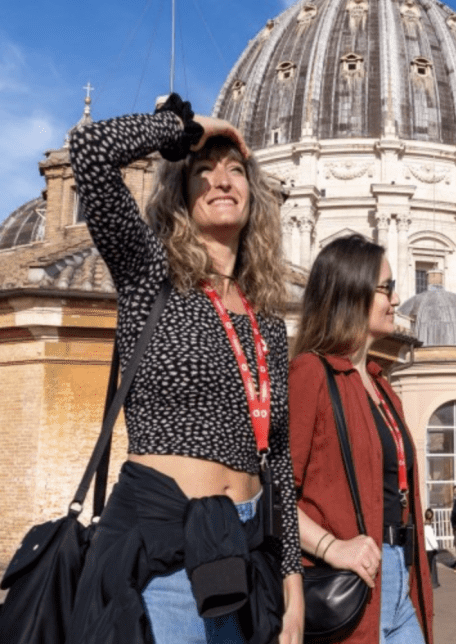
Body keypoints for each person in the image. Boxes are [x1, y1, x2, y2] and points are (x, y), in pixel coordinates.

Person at [67, 94, 303, 643]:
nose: (222, 181)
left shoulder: (265, 320)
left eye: (236, 171)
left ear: (254, 196)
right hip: (164, 551)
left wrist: (292, 588)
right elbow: (90, 150)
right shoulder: (150, 273)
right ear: (180, 193)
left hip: (246, 556)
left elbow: (281, 460)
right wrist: (189, 128)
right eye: (205, 171)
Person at [289, 235, 433, 644]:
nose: (397, 299)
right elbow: (276, 493)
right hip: (347, 582)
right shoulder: (310, 373)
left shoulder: (384, 389)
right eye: (386, 288)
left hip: (399, 576)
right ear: (353, 291)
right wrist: (333, 546)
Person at [423, 509, 440, 589]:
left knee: (428, 566)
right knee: (431, 567)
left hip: (425, 549)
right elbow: (431, 539)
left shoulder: (423, 527)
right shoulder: (428, 528)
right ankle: (432, 583)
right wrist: (436, 547)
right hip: (430, 549)